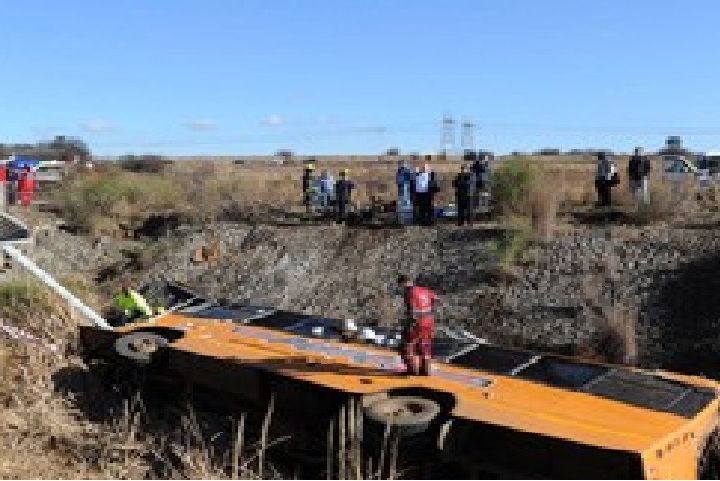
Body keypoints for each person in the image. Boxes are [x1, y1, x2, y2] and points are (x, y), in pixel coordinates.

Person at [396, 274, 437, 376]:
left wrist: (409, 323)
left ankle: (412, 370)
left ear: (402, 284)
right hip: (429, 320)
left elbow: (412, 309)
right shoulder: (424, 289)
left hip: (417, 321)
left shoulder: (409, 292)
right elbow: (435, 298)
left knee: (407, 344)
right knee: (425, 344)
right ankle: (425, 370)